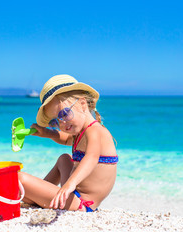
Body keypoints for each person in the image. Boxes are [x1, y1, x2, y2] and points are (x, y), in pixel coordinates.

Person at [18, 74, 118, 212]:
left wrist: (69, 184)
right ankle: (41, 194)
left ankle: (37, 196)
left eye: (64, 114)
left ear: (83, 104)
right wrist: (46, 133)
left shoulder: (95, 131)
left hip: (82, 203)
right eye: (55, 122)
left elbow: (92, 158)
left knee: (20, 179)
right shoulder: (81, 133)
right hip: (73, 194)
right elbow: (65, 139)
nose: (61, 124)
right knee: (64, 159)